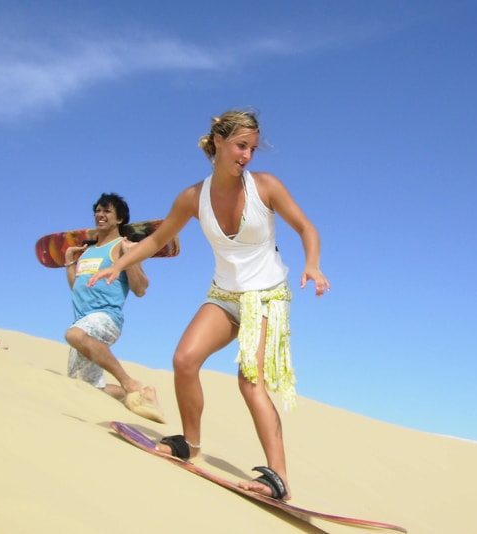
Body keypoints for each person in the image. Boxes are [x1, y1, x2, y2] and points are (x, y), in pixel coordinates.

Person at [89, 110, 330, 500]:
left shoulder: (265, 187)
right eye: (240, 146)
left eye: (252, 148)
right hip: (223, 294)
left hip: (265, 295)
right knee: (184, 360)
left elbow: (306, 227)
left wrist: (313, 264)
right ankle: (191, 444)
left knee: (250, 383)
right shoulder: (192, 197)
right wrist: (117, 265)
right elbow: (156, 240)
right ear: (217, 141)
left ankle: (279, 478)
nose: (247, 155)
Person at [64, 192, 165, 423]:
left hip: (105, 317)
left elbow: (140, 289)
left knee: (73, 335)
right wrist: (70, 261)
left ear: (119, 219)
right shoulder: (87, 251)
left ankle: (129, 383)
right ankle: (140, 394)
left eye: (107, 211)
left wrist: (130, 259)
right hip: (83, 319)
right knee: (82, 385)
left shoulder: (122, 246)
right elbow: (77, 287)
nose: (100, 215)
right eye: (98, 210)